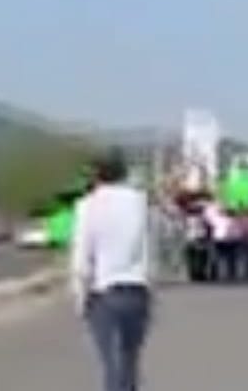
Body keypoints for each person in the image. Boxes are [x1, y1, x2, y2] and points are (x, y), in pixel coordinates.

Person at [72, 153, 153, 391]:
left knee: (111, 363)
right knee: (129, 362)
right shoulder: (140, 202)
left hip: (105, 291)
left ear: (96, 175)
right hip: (137, 289)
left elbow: (82, 256)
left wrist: (80, 296)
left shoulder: (88, 205)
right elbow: (148, 248)